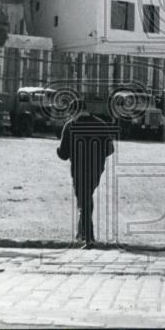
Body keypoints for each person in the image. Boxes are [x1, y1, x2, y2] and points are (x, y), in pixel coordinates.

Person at [57, 100, 115, 249]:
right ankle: (81, 233)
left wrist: (58, 150)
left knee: (84, 201)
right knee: (86, 198)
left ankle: (89, 238)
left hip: (79, 169)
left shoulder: (70, 125)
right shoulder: (101, 124)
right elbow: (110, 149)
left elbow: (63, 154)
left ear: (74, 111)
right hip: (96, 170)